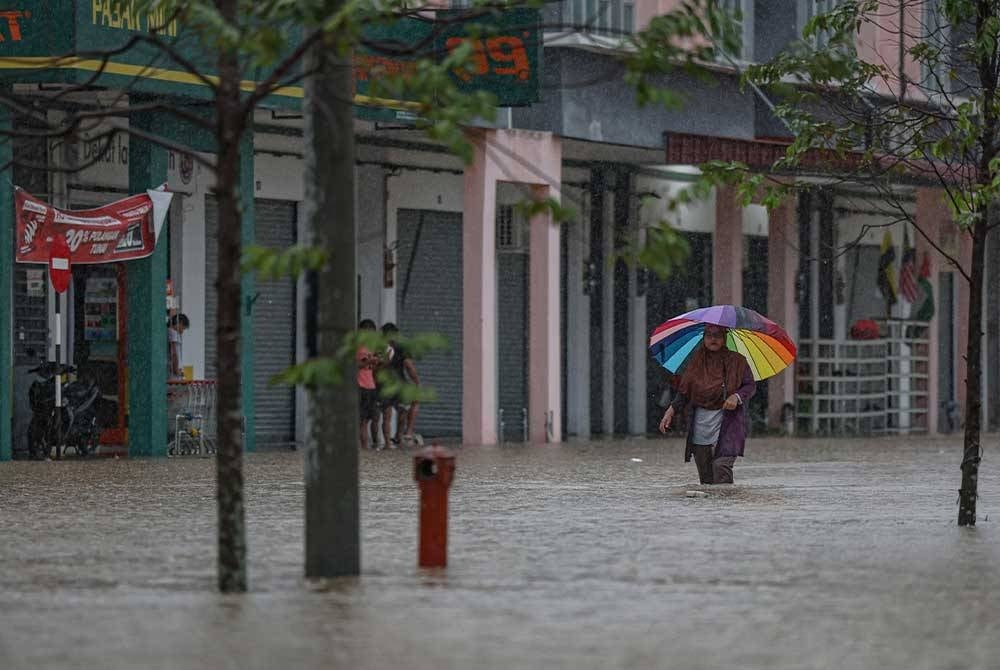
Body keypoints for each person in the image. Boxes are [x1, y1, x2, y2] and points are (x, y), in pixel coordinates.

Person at [658, 324, 756, 485]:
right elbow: (685, 391)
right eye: (709, 335)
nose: (713, 339)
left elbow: (750, 385)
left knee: (721, 467)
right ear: (703, 338)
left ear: (725, 338)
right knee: (706, 479)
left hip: (728, 423)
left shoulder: (737, 361)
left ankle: (725, 508)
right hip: (700, 425)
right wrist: (670, 411)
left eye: (718, 335)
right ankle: (711, 510)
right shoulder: (695, 362)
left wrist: (736, 397)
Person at [379, 322, 422, 447]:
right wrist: (417, 382)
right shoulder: (401, 347)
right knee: (405, 408)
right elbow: (409, 366)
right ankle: (404, 433)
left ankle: (387, 443)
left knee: (386, 415)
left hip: (383, 385)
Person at [357, 319, 380, 450]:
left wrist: (377, 362)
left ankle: (366, 447)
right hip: (360, 387)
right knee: (361, 420)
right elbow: (356, 365)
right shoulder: (358, 347)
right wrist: (369, 361)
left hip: (371, 387)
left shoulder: (371, 348)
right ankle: (361, 447)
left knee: (370, 418)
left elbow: (371, 368)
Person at [168, 313, 190, 380]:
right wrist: (176, 370)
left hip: (174, 370)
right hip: (174, 371)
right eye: (183, 328)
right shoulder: (173, 333)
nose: (182, 331)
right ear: (179, 323)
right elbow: (174, 353)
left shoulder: (169, 332)